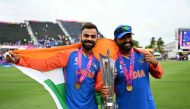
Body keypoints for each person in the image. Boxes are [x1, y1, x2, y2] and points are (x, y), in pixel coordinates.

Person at [5, 22, 103, 109]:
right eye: (86, 35)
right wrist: (20, 60)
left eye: (93, 36)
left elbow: (98, 87)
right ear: (80, 37)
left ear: (97, 39)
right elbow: (45, 64)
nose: (89, 39)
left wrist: (106, 87)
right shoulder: (69, 54)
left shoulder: (97, 62)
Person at [101, 25, 163, 109]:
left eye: (129, 36)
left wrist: (155, 63)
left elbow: (159, 75)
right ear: (116, 40)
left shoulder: (143, 55)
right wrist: (105, 92)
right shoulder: (112, 62)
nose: (127, 40)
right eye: (122, 37)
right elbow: (108, 93)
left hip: (148, 106)